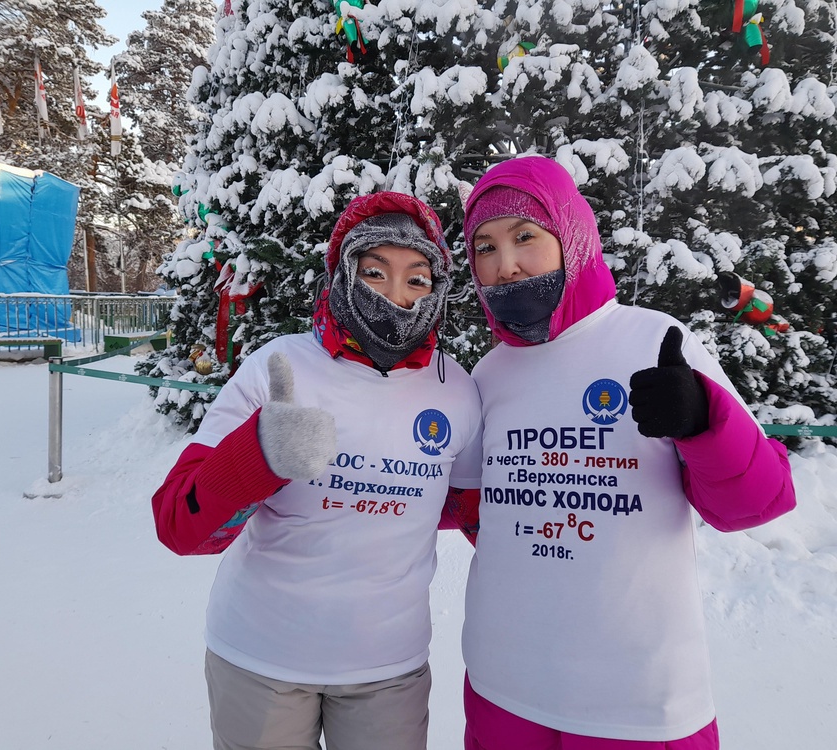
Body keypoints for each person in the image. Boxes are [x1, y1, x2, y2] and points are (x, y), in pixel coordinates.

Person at [458, 155, 797, 750]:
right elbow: (463, 501)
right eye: (484, 247)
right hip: (501, 689)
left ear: (572, 235)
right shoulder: (489, 373)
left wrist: (703, 424)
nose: (505, 266)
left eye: (525, 237)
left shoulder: (652, 340)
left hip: (635, 704)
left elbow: (757, 502)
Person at [152, 191, 482, 750]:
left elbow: (476, 517)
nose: (396, 298)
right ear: (342, 273)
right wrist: (256, 456)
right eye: (374, 272)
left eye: (417, 279)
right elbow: (178, 527)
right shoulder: (278, 366)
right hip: (261, 660)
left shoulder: (458, 389)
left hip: (389, 670)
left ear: (439, 288)